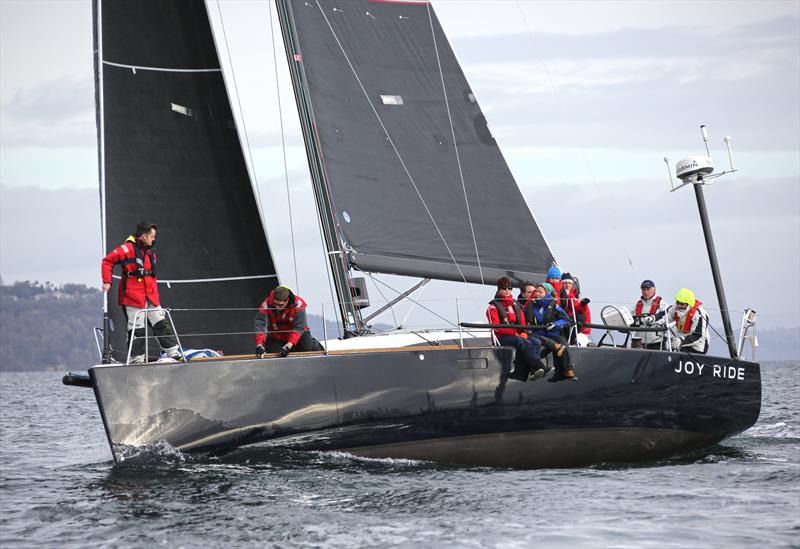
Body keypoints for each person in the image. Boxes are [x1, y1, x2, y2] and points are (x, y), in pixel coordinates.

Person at [101, 221, 182, 363]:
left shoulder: (149, 252)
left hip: (150, 295)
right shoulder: (126, 249)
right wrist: (107, 281)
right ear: (144, 236)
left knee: (161, 323)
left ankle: (173, 353)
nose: (153, 239)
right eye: (151, 236)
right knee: (137, 329)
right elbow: (107, 261)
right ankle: (136, 360)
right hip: (133, 296)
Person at [487, 277, 545, 382]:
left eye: (510, 288)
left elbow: (522, 322)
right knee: (521, 342)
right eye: (504, 288)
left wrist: (523, 332)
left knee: (536, 341)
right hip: (502, 337)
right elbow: (497, 328)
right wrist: (515, 333)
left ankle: (525, 372)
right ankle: (539, 366)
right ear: (499, 289)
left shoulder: (515, 305)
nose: (507, 290)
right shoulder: (493, 307)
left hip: (517, 334)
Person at [525, 283, 577, 381]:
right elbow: (524, 319)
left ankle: (568, 370)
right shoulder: (531, 306)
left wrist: (555, 325)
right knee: (534, 340)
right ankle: (535, 369)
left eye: (541, 292)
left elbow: (566, 320)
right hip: (539, 334)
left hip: (552, 334)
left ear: (547, 293)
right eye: (536, 291)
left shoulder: (554, 306)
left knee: (562, 341)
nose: (538, 294)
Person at [254, 285, 322, 357]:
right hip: (277, 335)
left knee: (307, 350)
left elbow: (299, 327)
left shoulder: (298, 304)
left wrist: (289, 345)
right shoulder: (266, 305)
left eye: (280, 305)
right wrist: (259, 345)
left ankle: (313, 344)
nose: (277, 307)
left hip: (299, 333)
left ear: (287, 300)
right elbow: (260, 324)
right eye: (275, 304)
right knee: (274, 355)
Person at [669, 288, 710, 354]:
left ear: (689, 304)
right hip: (679, 345)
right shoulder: (675, 307)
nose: (679, 306)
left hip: (696, 348)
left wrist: (680, 341)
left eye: (682, 304)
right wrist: (652, 319)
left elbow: (698, 336)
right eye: (678, 302)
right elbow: (664, 316)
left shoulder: (699, 314)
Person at [631, 279, 669, 350]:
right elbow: (630, 319)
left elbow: (668, 319)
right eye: (643, 290)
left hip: (657, 343)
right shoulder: (637, 305)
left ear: (654, 290)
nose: (645, 292)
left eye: (648, 289)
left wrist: (652, 321)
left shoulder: (662, 304)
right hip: (639, 343)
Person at [559, 273, 591, 342]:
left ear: (572, 284)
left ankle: (573, 338)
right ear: (561, 284)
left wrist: (583, 303)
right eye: (565, 283)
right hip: (567, 324)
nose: (567, 285)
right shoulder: (560, 294)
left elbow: (577, 307)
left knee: (580, 317)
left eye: (569, 283)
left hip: (581, 330)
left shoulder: (576, 296)